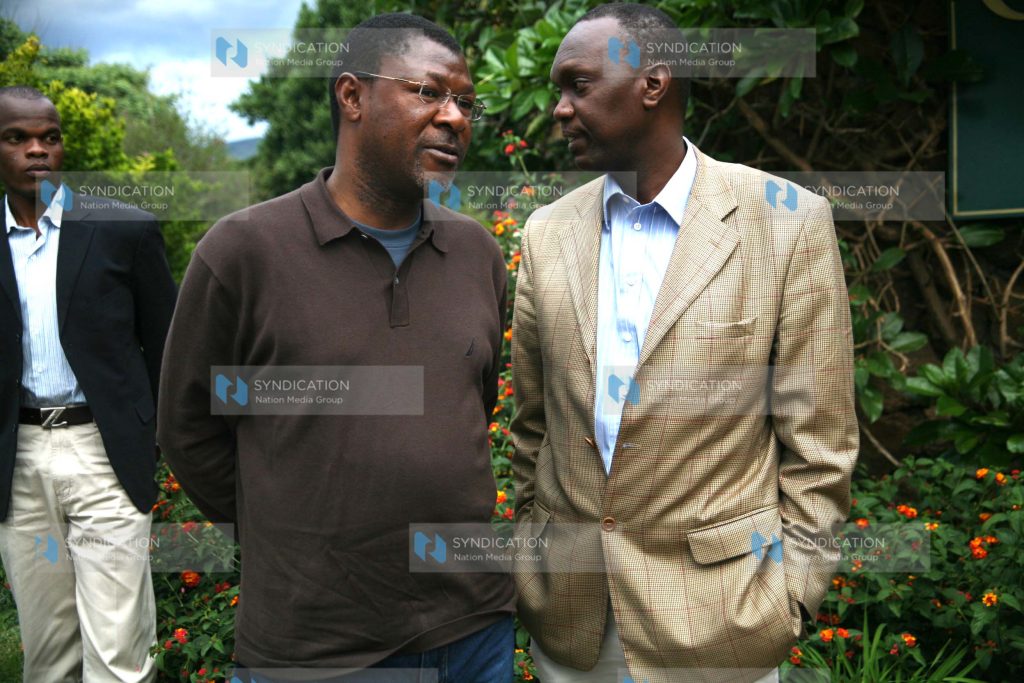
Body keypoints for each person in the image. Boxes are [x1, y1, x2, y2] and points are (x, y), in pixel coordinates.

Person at [157, 13, 514, 683]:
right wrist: (293, 523)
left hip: (474, 633)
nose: (455, 117)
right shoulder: (243, 252)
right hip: (313, 650)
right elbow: (187, 429)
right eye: (429, 92)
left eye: (465, 101)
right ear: (352, 96)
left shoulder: (477, 254)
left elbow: (471, 404)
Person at [510, 4, 859, 682]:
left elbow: (821, 444)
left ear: (652, 83)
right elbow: (533, 428)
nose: (558, 109)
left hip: (725, 625)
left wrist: (792, 595)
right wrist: (533, 556)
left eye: (577, 85)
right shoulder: (546, 235)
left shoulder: (787, 224)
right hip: (573, 624)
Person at [0, 85, 177, 682]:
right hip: (18, 460)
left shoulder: (121, 229)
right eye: (17, 138)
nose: (37, 151)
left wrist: (149, 435)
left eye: (49, 138)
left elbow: (168, 344)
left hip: (104, 452)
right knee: (47, 656)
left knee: (118, 654)